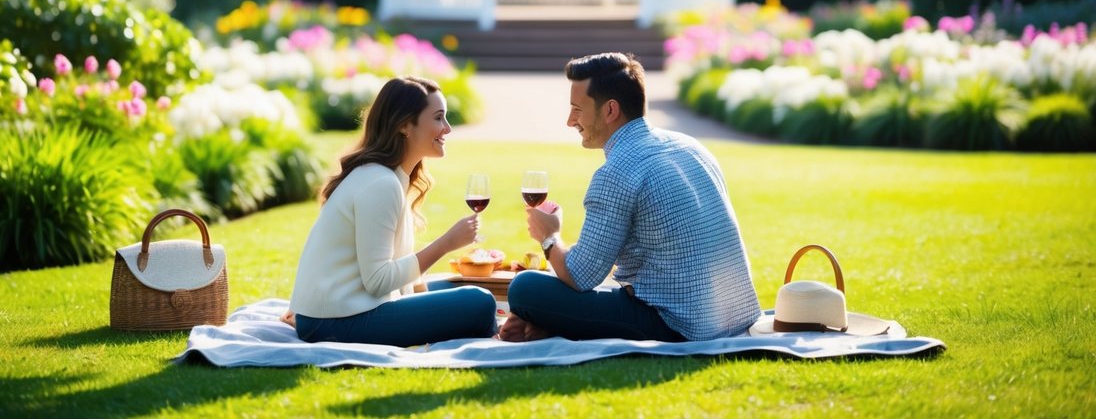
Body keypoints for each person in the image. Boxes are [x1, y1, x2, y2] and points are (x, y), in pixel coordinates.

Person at [500, 52, 761, 342]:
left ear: (610, 110)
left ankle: (550, 321)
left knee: (525, 289)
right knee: (571, 287)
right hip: (732, 315)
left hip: (677, 324)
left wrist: (549, 238)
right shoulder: (690, 146)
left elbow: (580, 276)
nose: (569, 120)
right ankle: (552, 324)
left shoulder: (616, 173)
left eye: (577, 109)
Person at [288, 76, 498, 345]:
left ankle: (494, 326)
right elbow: (378, 280)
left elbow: (397, 268)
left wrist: (427, 294)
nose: (447, 128)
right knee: (478, 302)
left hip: (338, 312)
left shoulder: (386, 177)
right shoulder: (381, 184)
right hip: (337, 321)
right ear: (404, 126)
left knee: (462, 288)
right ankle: (500, 337)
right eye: (438, 118)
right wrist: (447, 243)